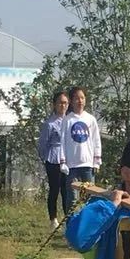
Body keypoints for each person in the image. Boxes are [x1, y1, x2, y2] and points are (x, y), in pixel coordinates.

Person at [60, 87, 101, 209]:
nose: (80, 101)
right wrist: (63, 162)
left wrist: (96, 161)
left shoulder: (90, 119)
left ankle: (90, 224)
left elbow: (96, 140)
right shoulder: (67, 120)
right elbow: (62, 141)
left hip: (87, 164)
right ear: (71, 101)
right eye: (77, 98)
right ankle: (71, 224)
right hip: (71, 165)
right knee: (72, 198)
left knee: (90, 196)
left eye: (82, 98)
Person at [38, 91, 70, 229]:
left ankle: (68, 218)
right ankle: (53, 218)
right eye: (60, 103)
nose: (63, 106)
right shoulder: (49, 123)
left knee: (67, 190)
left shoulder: (70, 120)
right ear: (54, 104)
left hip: (68, 157)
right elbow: (42, 144)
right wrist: (45, 158)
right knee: (54, 189)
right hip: (54, 157)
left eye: (65, 103)